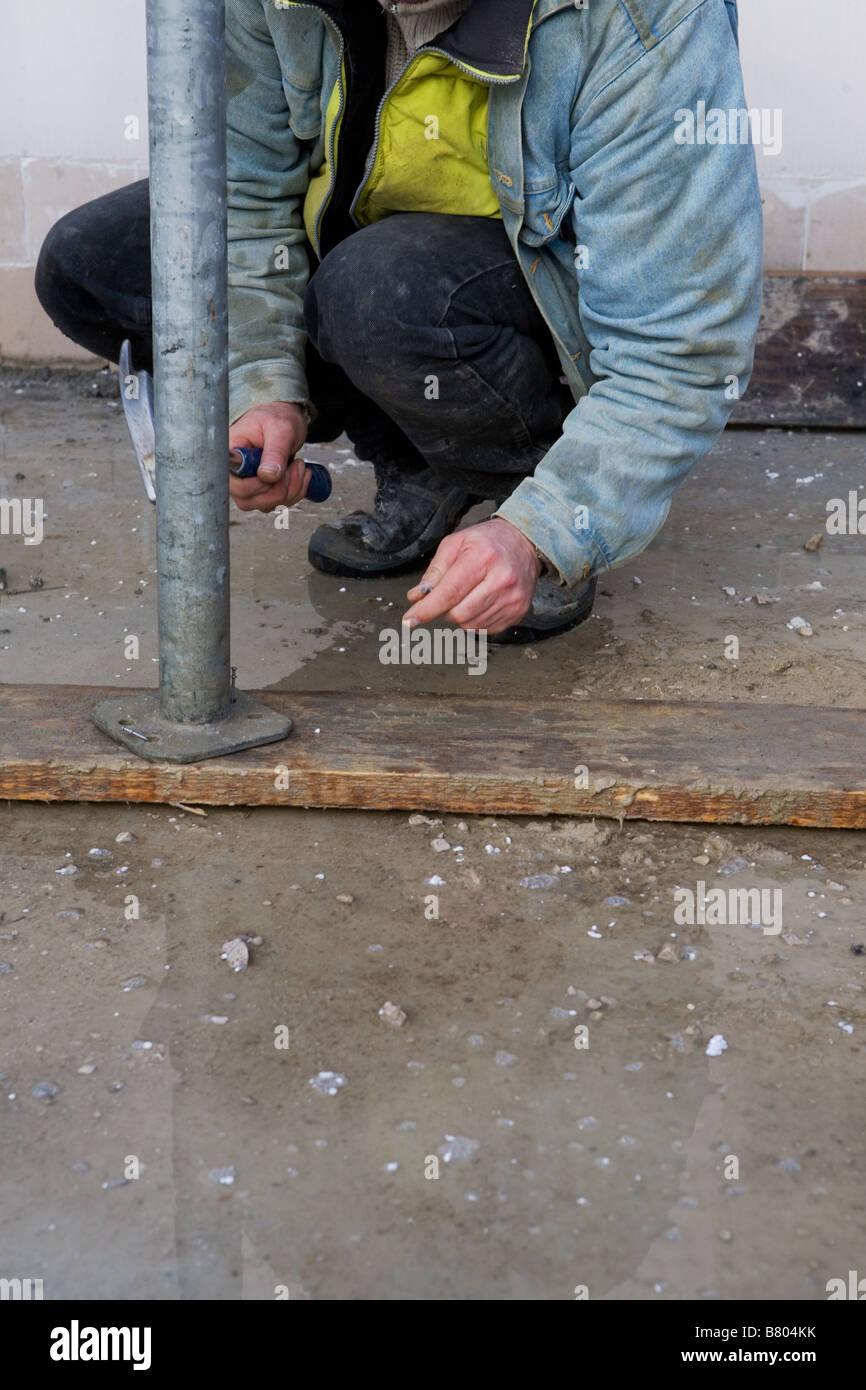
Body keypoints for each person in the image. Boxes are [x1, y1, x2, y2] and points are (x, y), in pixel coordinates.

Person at [35, 0, 762, 643]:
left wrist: (542, 531)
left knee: (377, 290)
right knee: (99, 264)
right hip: (376, 266)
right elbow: (246, 200)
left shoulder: (646, 17)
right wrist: (264, 385)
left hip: (520, 305)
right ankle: (420, 461)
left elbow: (681, 352)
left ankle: (523, 487)